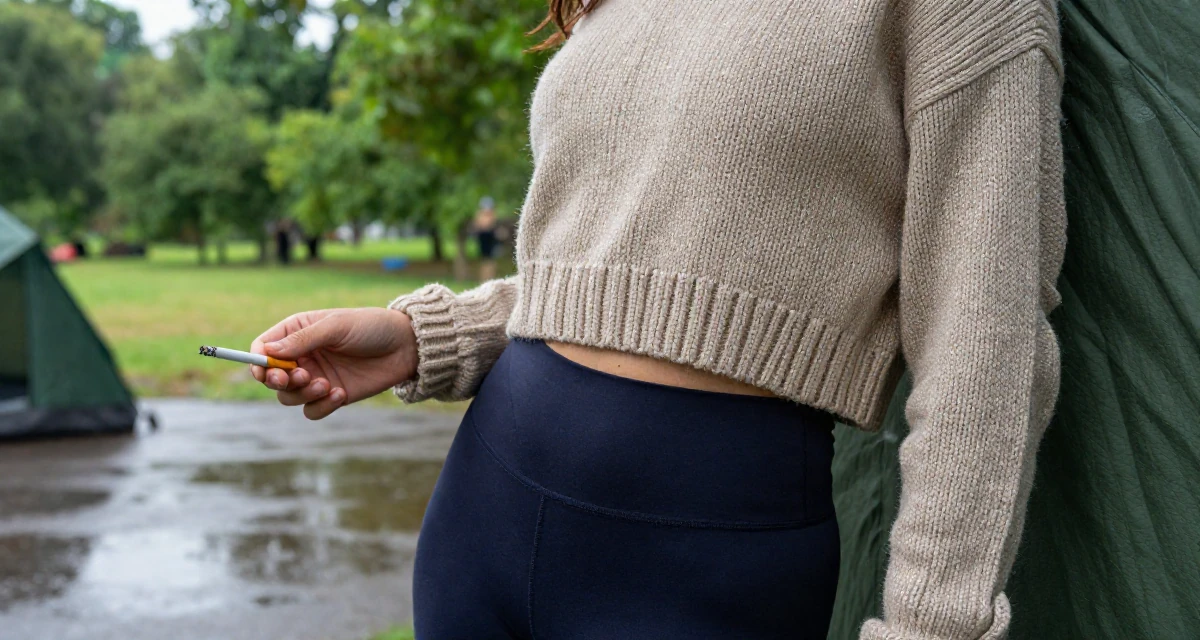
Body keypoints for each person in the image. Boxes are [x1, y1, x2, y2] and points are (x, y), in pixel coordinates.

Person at [250, 1, 1066, 637]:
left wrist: (932, 628)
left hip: (708, 552)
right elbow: (609, 256)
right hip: (484, 508)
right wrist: (427, 337)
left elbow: (984, 346)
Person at [473, 196, 500, 282]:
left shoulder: (492, 216)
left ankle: (490, 279)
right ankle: (485, 280)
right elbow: (483, 226)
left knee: (491, 263)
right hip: (484, 241)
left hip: (491, 242)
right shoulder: (481, 216)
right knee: (485, 262)